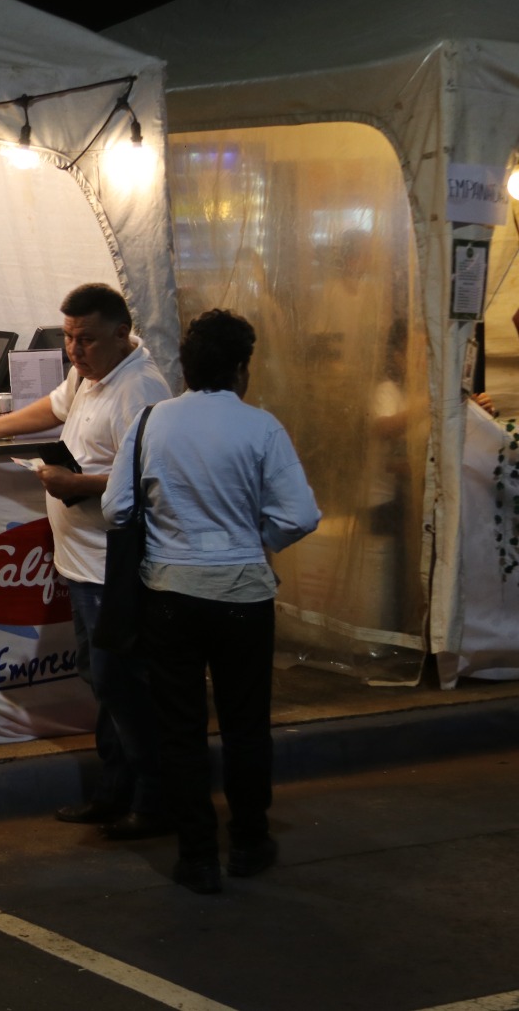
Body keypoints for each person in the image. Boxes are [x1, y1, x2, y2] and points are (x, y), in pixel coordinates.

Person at [102, 309, 320, 894]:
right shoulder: (261, 428)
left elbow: (116, 509)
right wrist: (254, 538)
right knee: (246, 725)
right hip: (244, 594)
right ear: (242, 367)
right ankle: (248, 841)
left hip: (168, 594)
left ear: (186, 365)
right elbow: (300, 514)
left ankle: (197, 855)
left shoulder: (150, 422)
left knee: (180, 728)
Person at [0, 283, 172, 840]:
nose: (75, 351)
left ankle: (153, 800)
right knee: (100, 680)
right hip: (80, 562)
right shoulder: (88, 374)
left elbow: (150, 479)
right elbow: (54, 406)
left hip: (112, 566)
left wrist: (79, 484)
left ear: (122, 334)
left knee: (123, 685)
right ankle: (115, 790)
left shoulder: (141, 390)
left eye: (87, 340)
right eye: (70, 338)